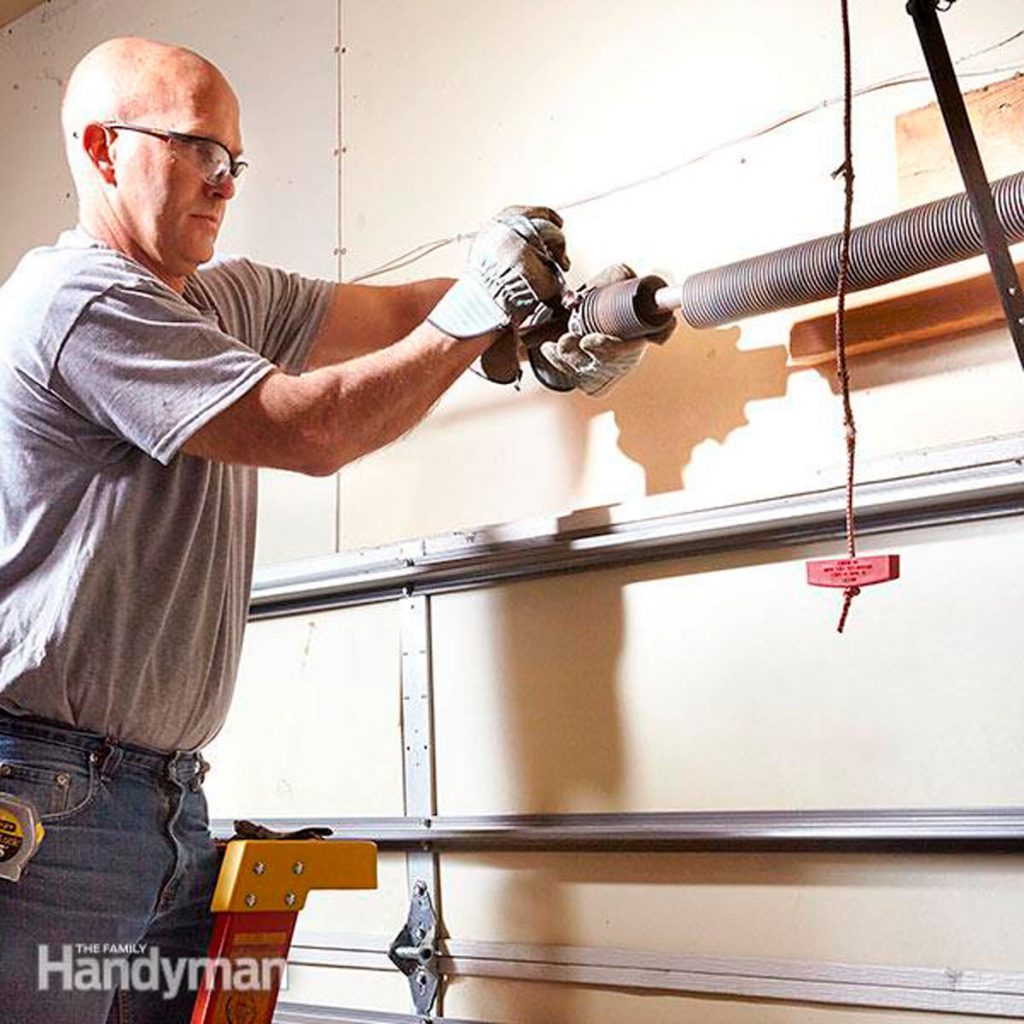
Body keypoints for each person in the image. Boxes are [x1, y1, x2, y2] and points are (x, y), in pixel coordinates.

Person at [0, 36, 658, 1023]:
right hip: (52, 803)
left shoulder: (226, 297)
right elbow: (311, 428)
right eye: (195, 150)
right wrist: (483, 308)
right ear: (103, 149)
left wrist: (545, 313)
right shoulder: (78, 302)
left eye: (233, 158)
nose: (223, 181)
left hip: (163, 798)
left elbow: (395, 313)